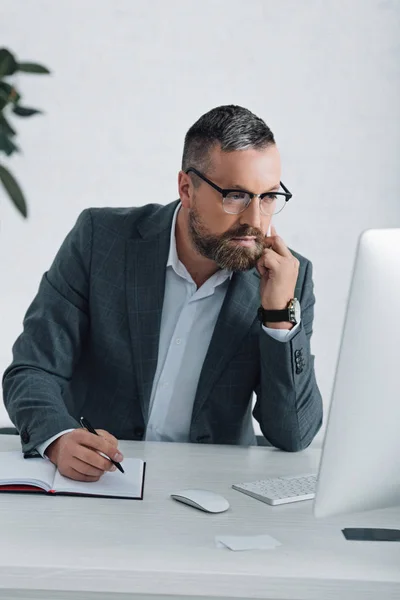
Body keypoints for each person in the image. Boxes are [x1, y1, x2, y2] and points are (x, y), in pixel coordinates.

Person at [2, 104, 323, 482]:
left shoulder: (286, 279)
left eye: (268, 197)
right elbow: (32, 369)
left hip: (213, 491)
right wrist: (57, 438)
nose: (255, 221)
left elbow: (294, 434)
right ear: (187, 188)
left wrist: (279, 319)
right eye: (235, 196)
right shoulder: (100, 240)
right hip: (102, 480)